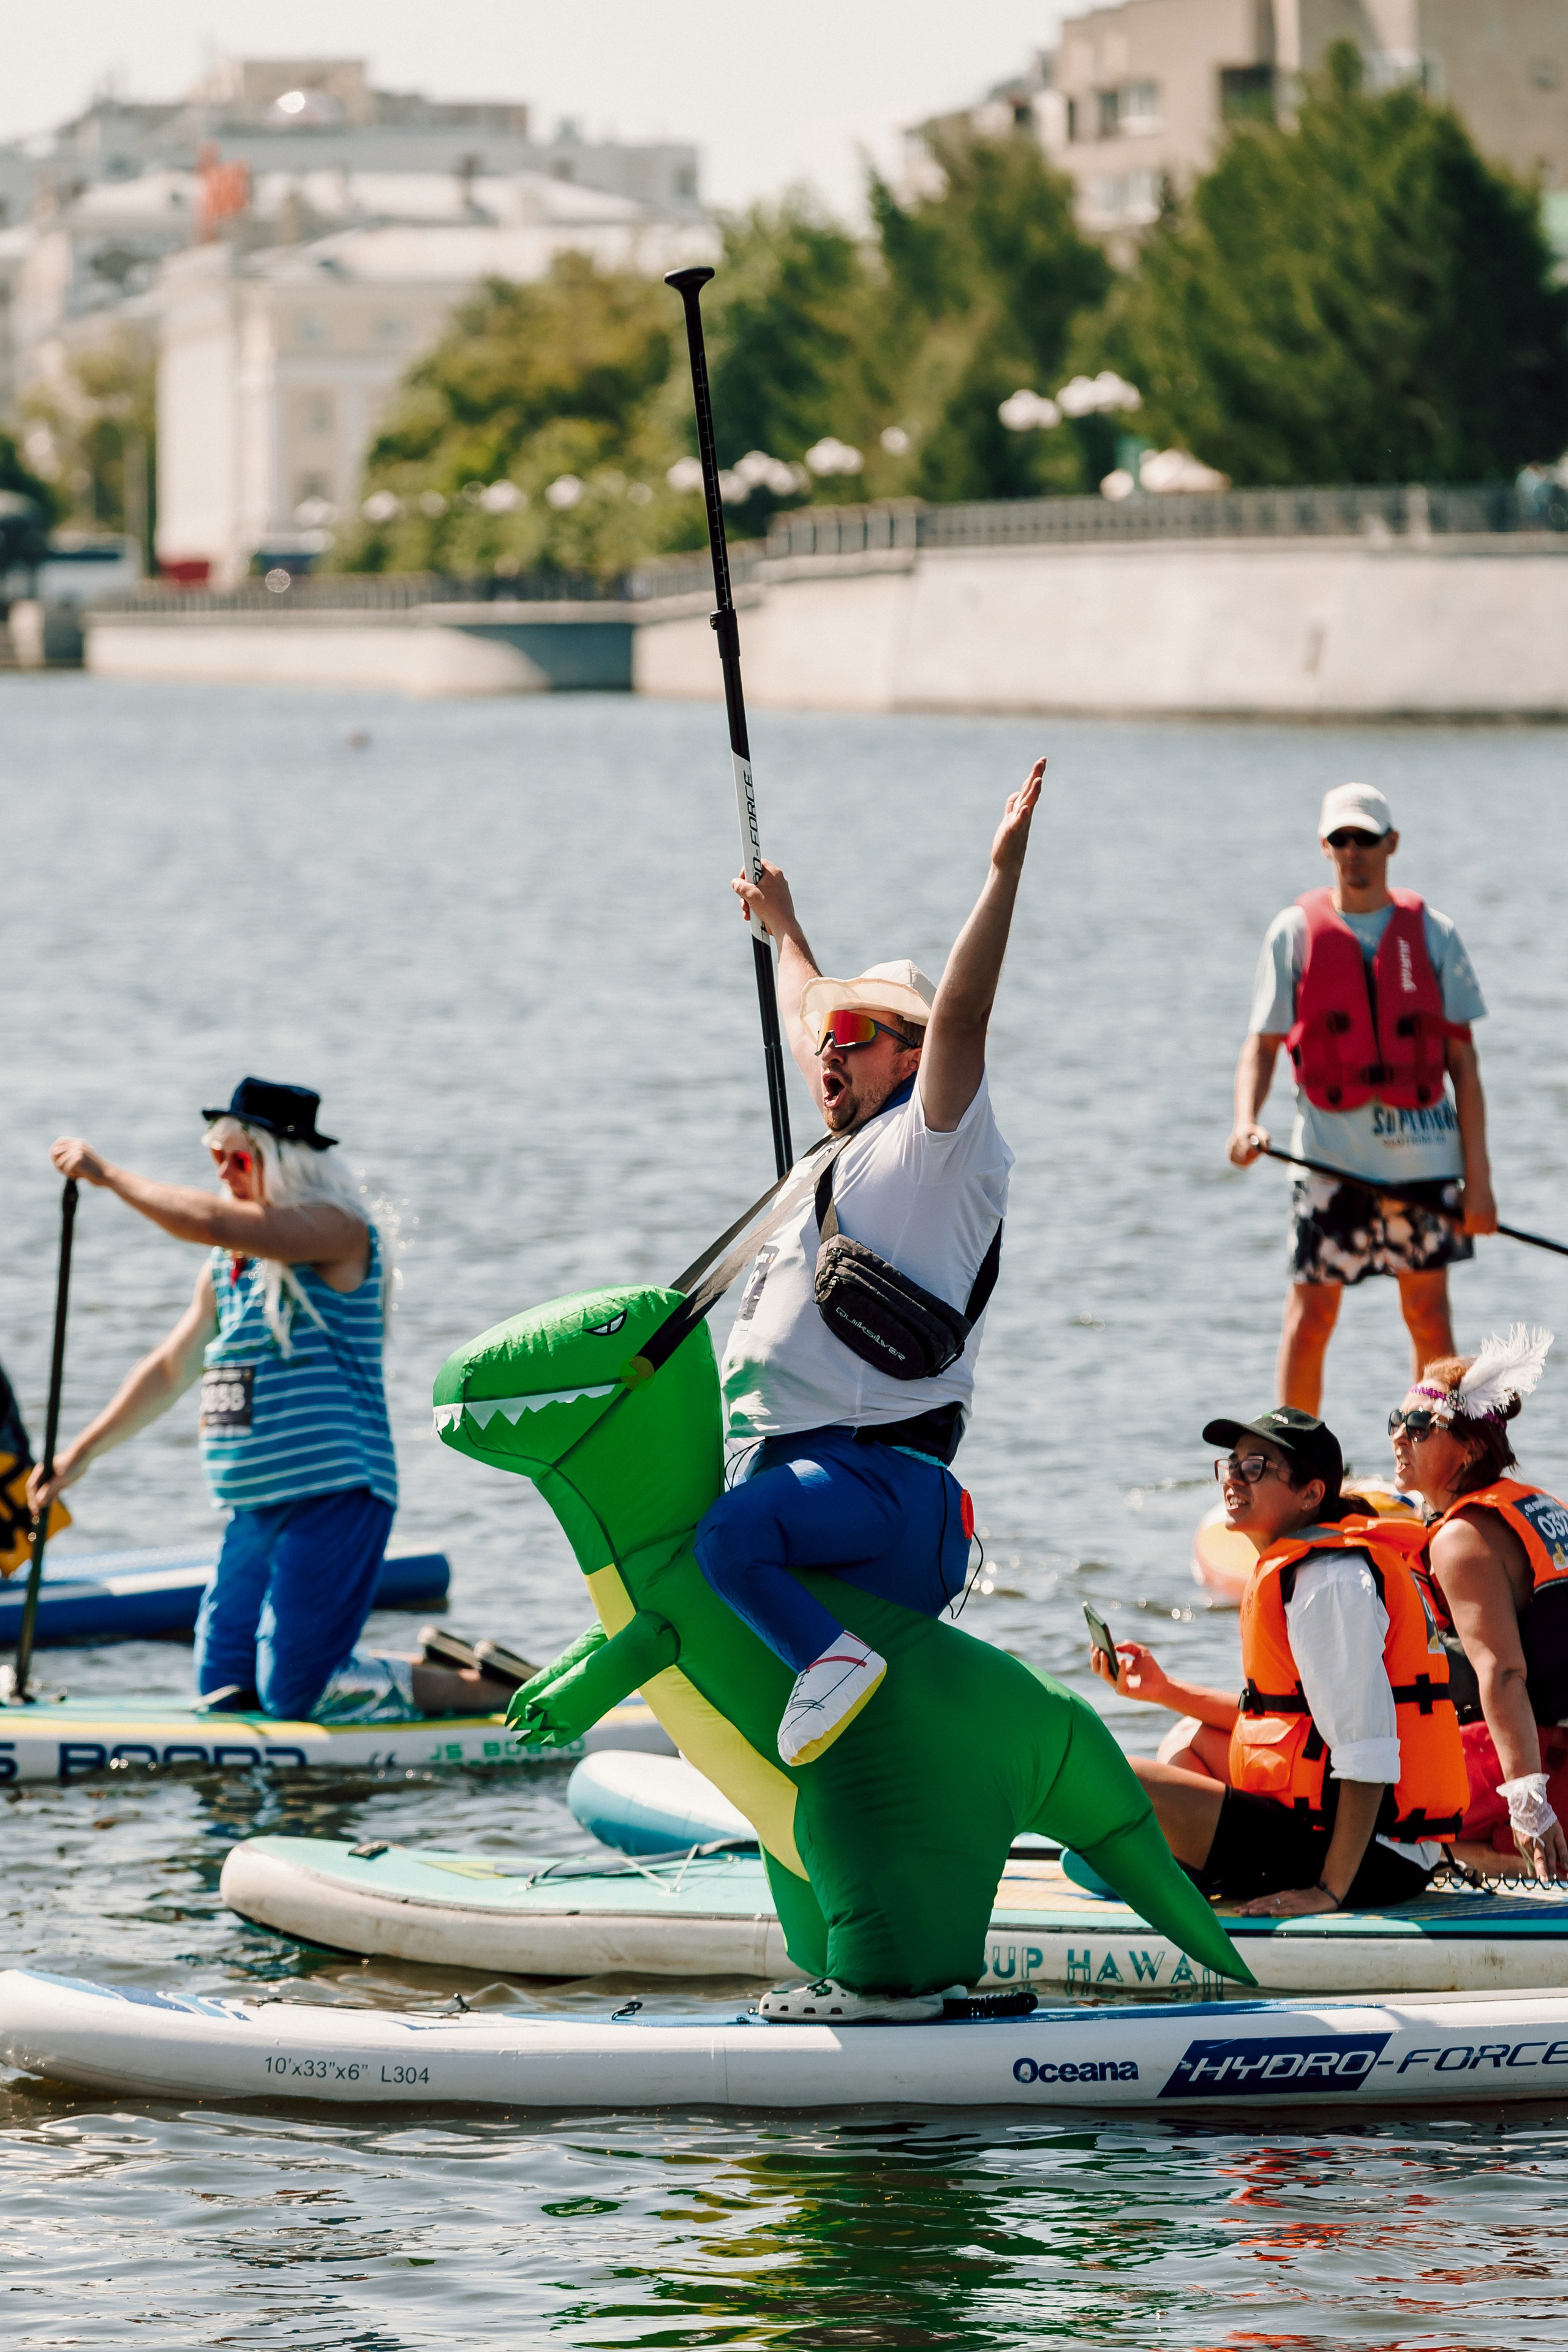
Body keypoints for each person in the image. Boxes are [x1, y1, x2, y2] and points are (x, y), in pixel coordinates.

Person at [695, 758, 1042, 1768]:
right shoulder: (839, 1155)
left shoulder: (936, 1144)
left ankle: (836, 1664)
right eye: (825, 1043)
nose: (827, 1052)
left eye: (855, 1037)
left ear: (911, 1055)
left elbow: (967, 1018)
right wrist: (784, 927)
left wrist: (1001, 873)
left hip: (877, 1482)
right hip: (797, 1467)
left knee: (727, 1541)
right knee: (713, 1536)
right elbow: (809, 1022)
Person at [27, 1077, 510, 1722]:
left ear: (284, 1161)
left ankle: (487, 1693)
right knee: (223, 1687)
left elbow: (205, 1220)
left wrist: (109, 1175)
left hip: (334, 1494)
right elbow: (171, 1369)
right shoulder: (230, 1265)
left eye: (239, 1158)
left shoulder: (337, 1232)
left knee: (297, 1694)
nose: (224, 1172)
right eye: (215, 1159)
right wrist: (78, 1456)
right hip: (252, 1504)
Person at [1091, 1407, 1468, 1915]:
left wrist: (1328, 1892)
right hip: (1334, 1822)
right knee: (1189, 1736)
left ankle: (1174, 1863)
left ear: (1310, 1494)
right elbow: (1278, 1717)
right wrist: (1163, 1689)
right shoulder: (1306, 1566)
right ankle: (1186, 1861)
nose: (1234, 1478)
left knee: (1117, 1776)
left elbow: (1369, 1749)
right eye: (1232, 1464)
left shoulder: (1329, 1582)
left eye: (1256, 1467)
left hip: (1374, 1860)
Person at [1227, 781, 1495, 1414]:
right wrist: (1244, 1121)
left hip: (1423, 1163)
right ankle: (1296, 1458)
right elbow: (1260, 1047)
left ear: (1390, 844)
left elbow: (1465, 1063)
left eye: (1366, 839)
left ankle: (1438, 1462)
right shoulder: (1293, 933)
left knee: (1428, 1315)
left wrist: (1478, 1181)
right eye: (1341, 839)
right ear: (1324, 847)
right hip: (1329, 1159)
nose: (1354, 852)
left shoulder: (1434, 934)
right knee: (1310, 1315)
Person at [1390, 1327, 1568, 1883]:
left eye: (1418, 1428)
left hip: (1541, 1755)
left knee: (1363, 1810)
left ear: (1468, 1449)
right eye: (1396, 1422)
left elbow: (1504, 1671)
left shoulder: (1460, 1538)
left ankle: (1519, 1865)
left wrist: (1528, 1801)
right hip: (1552, 1739)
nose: (1399, 1438)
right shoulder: (1538, 1504)